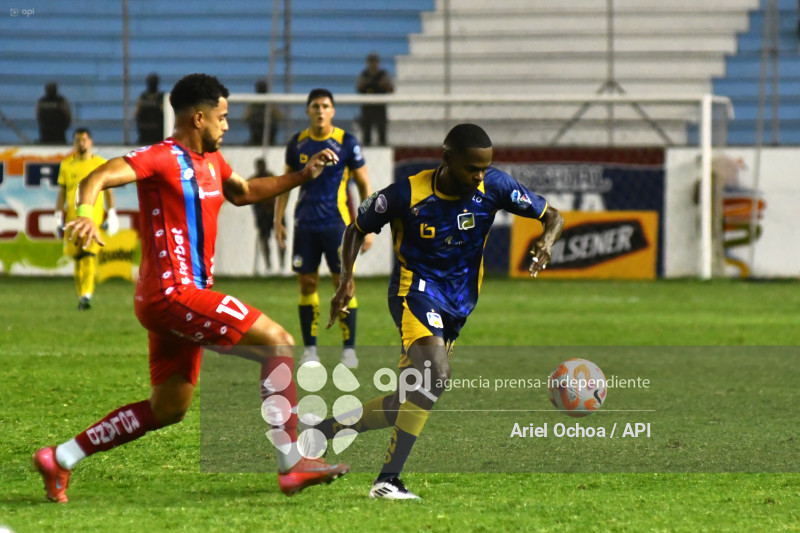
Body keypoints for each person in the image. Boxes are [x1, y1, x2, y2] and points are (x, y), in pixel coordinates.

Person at [32, 73, 348, 504]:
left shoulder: (214, 163)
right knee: (279, 342)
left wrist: (301, 175)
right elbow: (98, 177)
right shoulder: (161, 157)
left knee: (169, 407)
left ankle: (60, 458)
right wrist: (86, 213)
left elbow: (246, 191)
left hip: (172, 301)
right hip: (173, 292)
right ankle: (291, 463)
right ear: (198, 118)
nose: (226, 126)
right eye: (222, 117)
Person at [319, 123, 564, 499]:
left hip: (459, 303)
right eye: (472, 168)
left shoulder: (494, 186)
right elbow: (355, 228)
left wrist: (546, 241)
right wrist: (345, 280)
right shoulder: (406, 193)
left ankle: (321, 433)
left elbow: (553, 216)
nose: (479, 176)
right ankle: (387, 481)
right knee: (436, 374)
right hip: (413, 291)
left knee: (407, 397)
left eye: (485, 168)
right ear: (447, 159)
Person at [274, 88, 373, 369]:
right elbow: (285, 183)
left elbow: (365, 185)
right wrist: (277, 220)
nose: (320, 111)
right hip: (304, 225)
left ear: (333, 111)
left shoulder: (347, 142)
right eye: (315, 106)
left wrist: (368, 226)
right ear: (307, 111)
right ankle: (310, 351)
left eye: (325, 106)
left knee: (343, 284)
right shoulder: (297, 144)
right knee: (307, 284)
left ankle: (348, 351)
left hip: (337, 226)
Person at [55, 128, 118, 310]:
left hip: (93, 218)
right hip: (73, 219)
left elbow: (108, 191)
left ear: (90, 142)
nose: (81, 143)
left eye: (84, 139)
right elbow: (62, 192)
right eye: (77, 140)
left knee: (90, 255)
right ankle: (81, 293)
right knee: (77, 258)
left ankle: (86, 295)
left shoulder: (100, 164)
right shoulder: (67, 165)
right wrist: (58, 215)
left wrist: (112, 212)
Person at [250, 158, 285, 271]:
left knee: (280, 238)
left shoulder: (271, 177)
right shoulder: (253, 180)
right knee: (264, 239)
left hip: (274, 212)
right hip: (262, 214)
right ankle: (268, 266)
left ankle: (282, 265)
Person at [355, 52, 393, 146]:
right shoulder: (364, 75)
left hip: (380, 107)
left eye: (374, 62)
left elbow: (391, 89)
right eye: (371, 62)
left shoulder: (383, 75)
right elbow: (358, 88)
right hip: (367, 107)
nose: (373, 64)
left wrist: (384, 85)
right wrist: (366, 83)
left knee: (382, 132)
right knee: (366, 133)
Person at [244, 79, 282, 146]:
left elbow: (279, 117)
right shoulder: (254, 104)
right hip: (256, 135)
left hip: (270, 135)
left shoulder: (271, 103)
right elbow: (245, 117)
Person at [135, 73, 164, 145]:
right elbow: (136, 113)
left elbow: (167, 114)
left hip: (158, 133)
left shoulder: (162, 97)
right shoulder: (143, 97)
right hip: (145, 133)